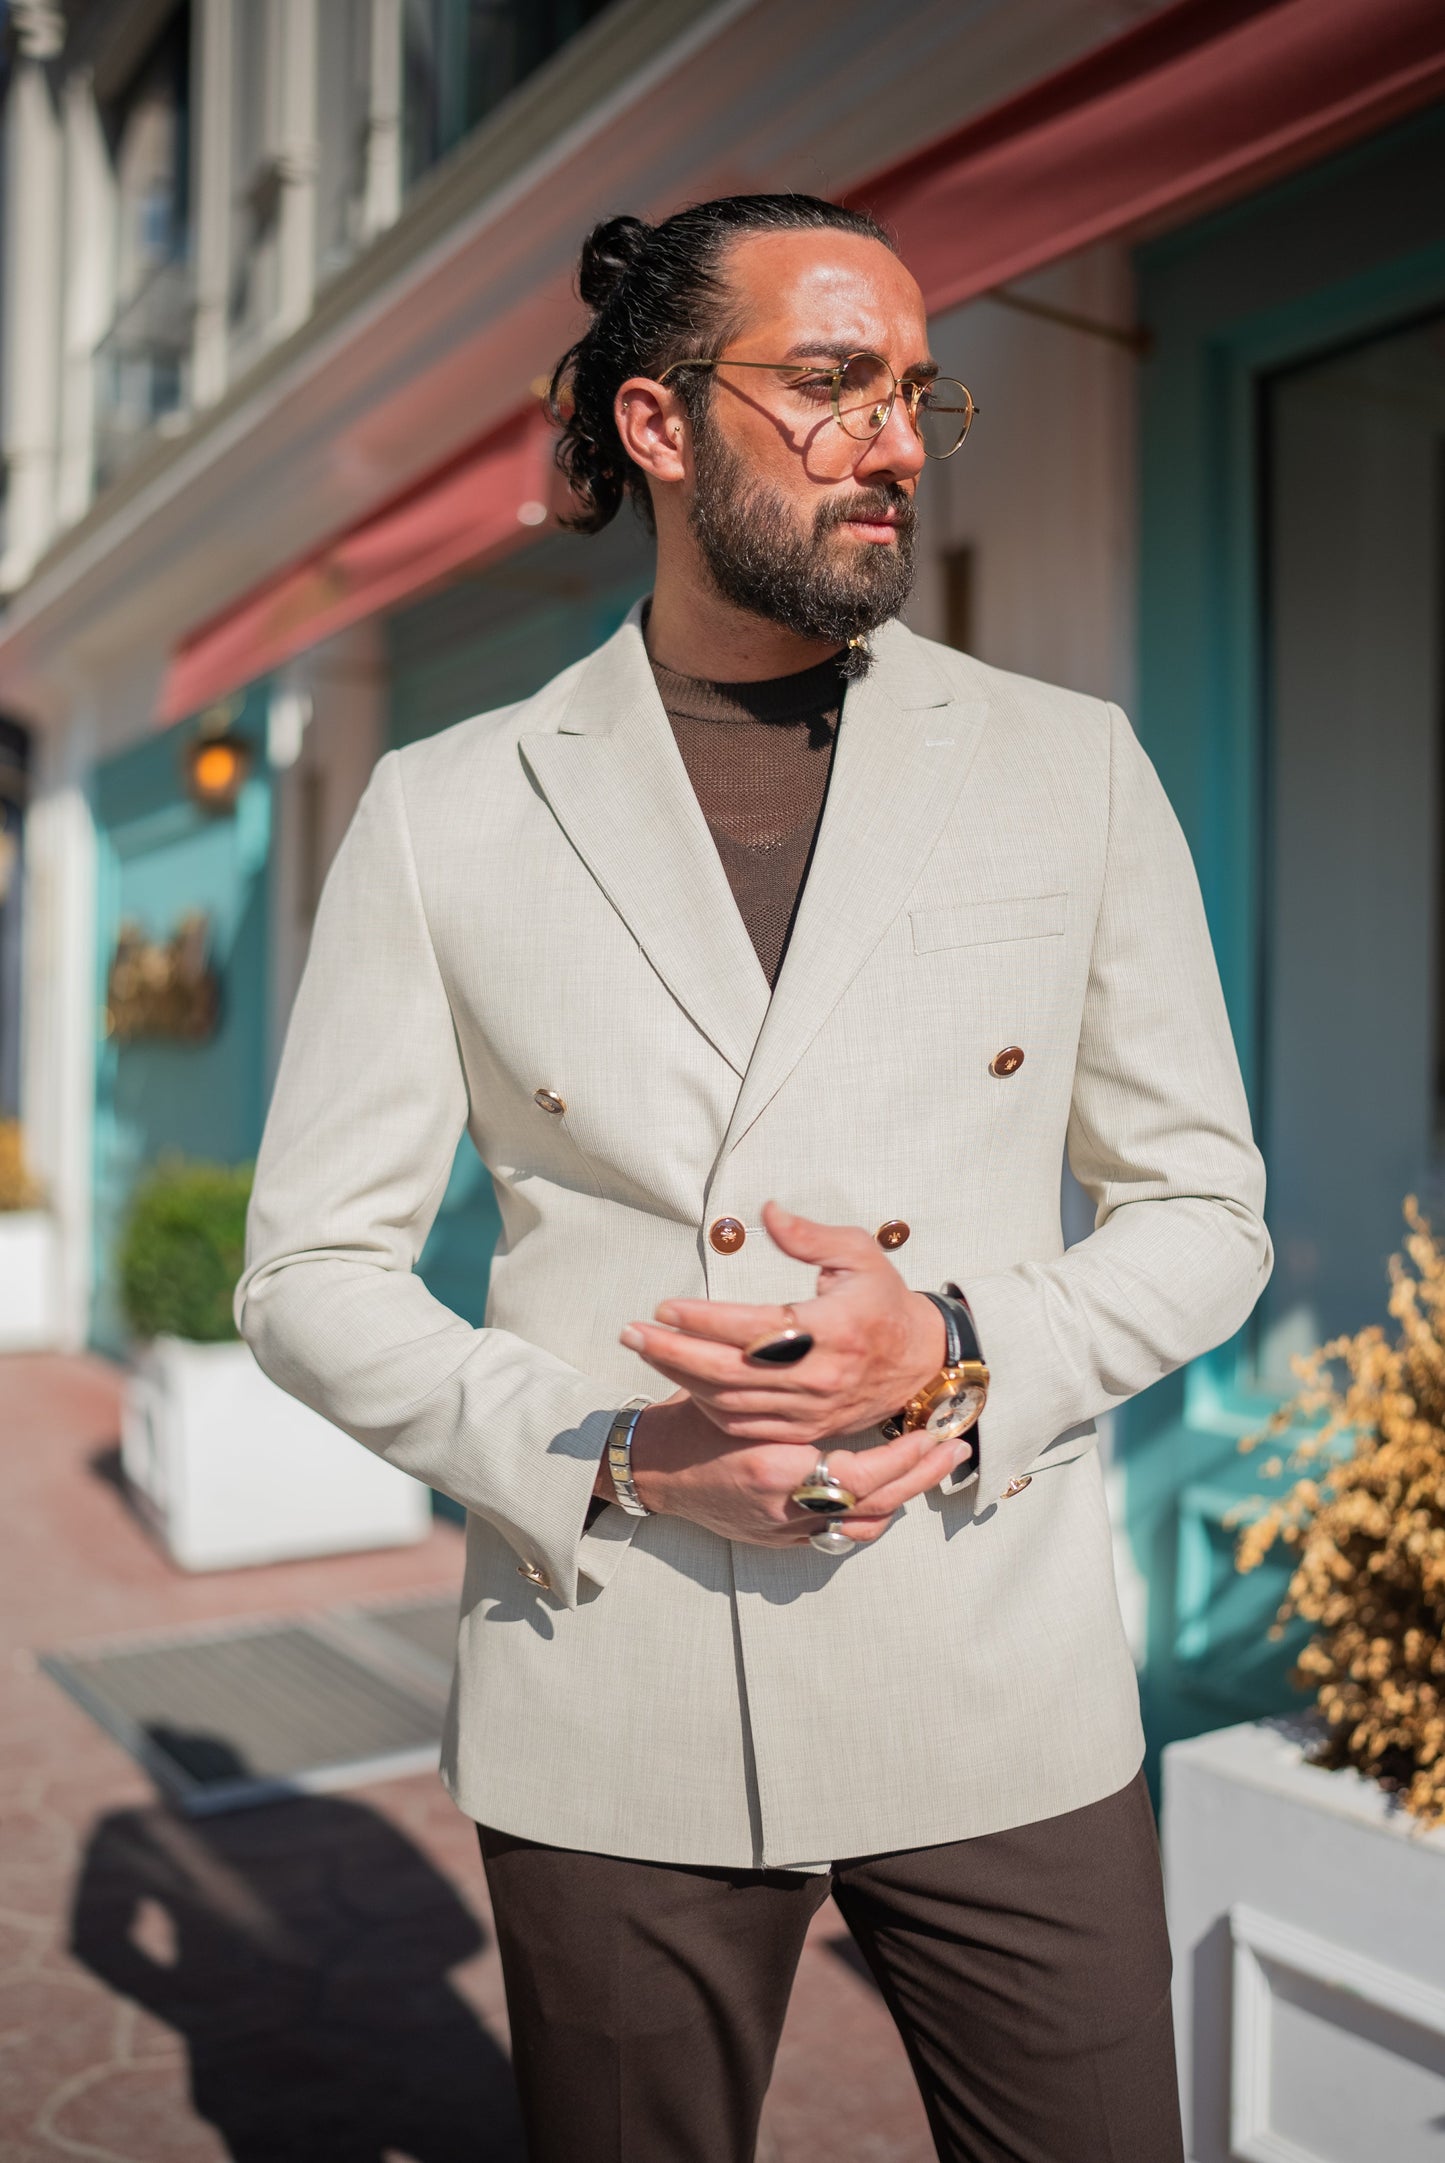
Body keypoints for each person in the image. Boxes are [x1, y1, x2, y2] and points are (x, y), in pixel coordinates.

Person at [237, 193, 1271, 2162]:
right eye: (827, 385)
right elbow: (309, 1270)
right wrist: (606, 1450)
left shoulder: (1071, 764)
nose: (891, 437)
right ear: (654, 421)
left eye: (911, 389)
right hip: (610, 1671)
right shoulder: (447, 808)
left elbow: (1205, 1206)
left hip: (994, 1670)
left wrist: (960, 1349)